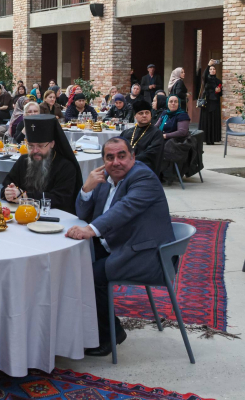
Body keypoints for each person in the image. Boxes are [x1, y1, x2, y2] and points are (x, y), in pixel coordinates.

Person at [66, 137, 175, 357]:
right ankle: (78, 326)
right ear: (103, 161)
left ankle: (111, 335)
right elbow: (82, 213)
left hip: (146, 254)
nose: (116, 162)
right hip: (119, 243)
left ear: (133, 157)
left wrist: (90, 230)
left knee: (91, 275)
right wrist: (86, 188)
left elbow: (125, 209)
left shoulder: (143, 177)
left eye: (122, 156)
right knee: (70, 261)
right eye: (110, 157)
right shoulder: (105, 178)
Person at [1, 115, 83, 214]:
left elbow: (61, 199)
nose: (35, 150)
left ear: (52, 144)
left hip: (54, 217)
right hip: (22, 215)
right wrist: (9, 192)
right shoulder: (23, 160)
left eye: (40, 146)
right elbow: (7, 185)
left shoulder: (66, 166)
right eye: (31, 146)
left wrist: (25, 196)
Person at [119, 100, 164, 174]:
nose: (144, 115)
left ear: (151, 115)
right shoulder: (126, 133)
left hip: (144, 170)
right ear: (135, 116)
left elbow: (150, 155)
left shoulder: (156, 133)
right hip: (124, 168)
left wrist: (130, 161)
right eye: (141, 113)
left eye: (147, 113)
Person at [201, 61, 223, 144]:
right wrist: (208, 65)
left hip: (215, 102)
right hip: (207, 102)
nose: (212, 70)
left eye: (214, 69)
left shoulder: (218, 81)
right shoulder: (207, 79)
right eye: (211, 69)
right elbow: (204, 75)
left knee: (214, 119)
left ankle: (213, 139)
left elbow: (221, 93)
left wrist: (219, 91)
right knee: (207, 120)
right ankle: (206, 139)